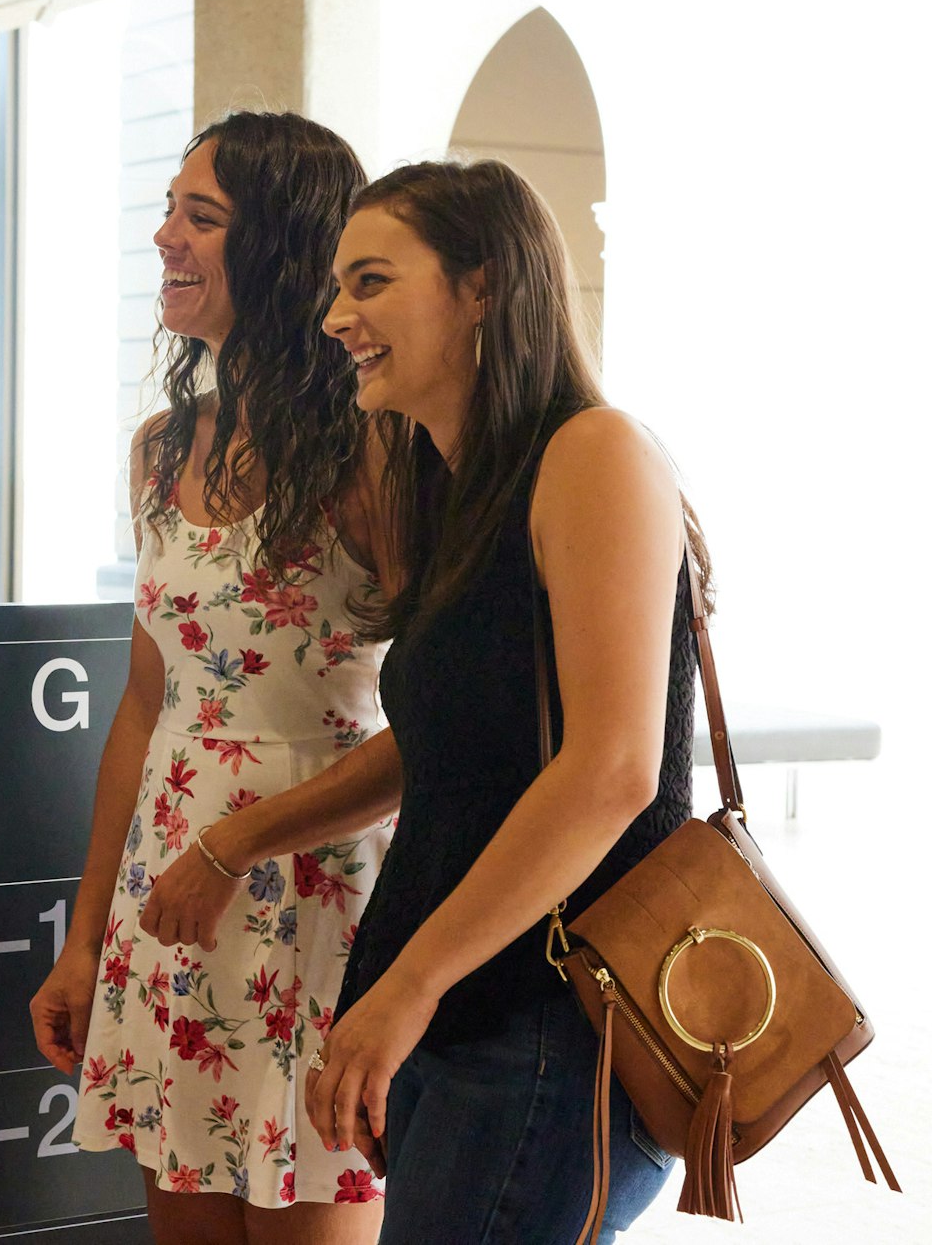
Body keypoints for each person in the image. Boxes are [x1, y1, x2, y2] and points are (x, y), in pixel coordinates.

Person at [141, 159, 702, 1243]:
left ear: (480, 287)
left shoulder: (592, 451)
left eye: (369, 282)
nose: (336, 315)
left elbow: (612, 771)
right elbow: (449, 750)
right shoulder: (462, 480)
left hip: (545, 1031)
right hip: (467, 1028)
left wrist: (408, 985)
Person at [29, 110, 393, 1243]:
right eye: (168, 210)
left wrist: (235, 844)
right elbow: (145, 706)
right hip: (169, 891)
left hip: (321, 889)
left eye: (201, 216)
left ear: (281, 246)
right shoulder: (158, 447)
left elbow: (445, 719)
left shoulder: (372, 452)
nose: (162, 238)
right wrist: (85, 934)